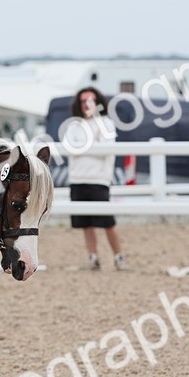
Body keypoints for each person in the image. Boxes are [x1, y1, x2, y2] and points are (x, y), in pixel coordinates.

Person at [59, 86, 129, 271]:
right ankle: (93, 257)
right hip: (77, 178)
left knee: (107, 222)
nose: (86, 104)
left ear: (98, 102)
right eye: (83, 101)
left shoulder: (106, 123)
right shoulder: (74, 124)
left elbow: (105, 150)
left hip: (99, 179)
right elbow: (69, 148)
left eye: (90, 100)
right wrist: (92, 144)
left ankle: (119, 257)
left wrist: (83, 147)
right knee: (86, 223)